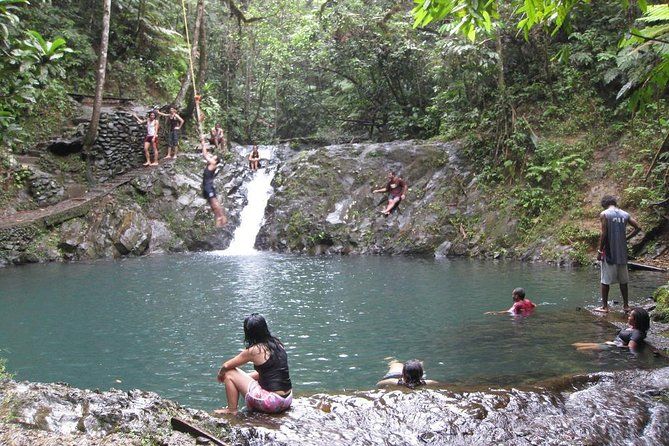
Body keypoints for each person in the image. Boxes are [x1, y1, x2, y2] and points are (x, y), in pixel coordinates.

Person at [215, 313, 292, 415]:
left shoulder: (255, 350)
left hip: (272, 403)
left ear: (249, 333)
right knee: (249, 375)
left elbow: (226, 366)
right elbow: (268, 374)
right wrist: (241, 380)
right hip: (287, 400)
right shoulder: (278, 344)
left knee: (229, 373)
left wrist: (221, 375)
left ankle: (231, 410)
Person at [595, 195, 642, 313]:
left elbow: (604, 234)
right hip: (622, 253)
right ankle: (626, 305)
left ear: (605, 204)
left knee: (605, 280)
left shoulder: (604, 214)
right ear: (615, 203)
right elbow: (638, 227)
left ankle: (604, 307)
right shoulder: (625, 214)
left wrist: (600, 251)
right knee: (623, 281)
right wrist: (626, 238)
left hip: (609, 252)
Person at [573, 307, 650, 353]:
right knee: (575, 345)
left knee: (579, 349)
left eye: (630, 316)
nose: (628, 317)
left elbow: (631, 347)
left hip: (611, 347)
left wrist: (615, 345)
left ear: (636, 320)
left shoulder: (637, 334)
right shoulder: (632, 328)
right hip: (609, 344)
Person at [202, 146, 227, 227]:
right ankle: (218, 217)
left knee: (215, 203)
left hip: (209, 186)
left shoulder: (213, 165)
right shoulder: (211, 163)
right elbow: (205, 154)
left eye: (213, 157)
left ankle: (222, 217)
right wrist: (202, 142)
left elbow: (205, 155)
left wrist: (203, 142)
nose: (211, 157)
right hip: (206, 186)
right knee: (212, 205)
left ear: (215, 161)